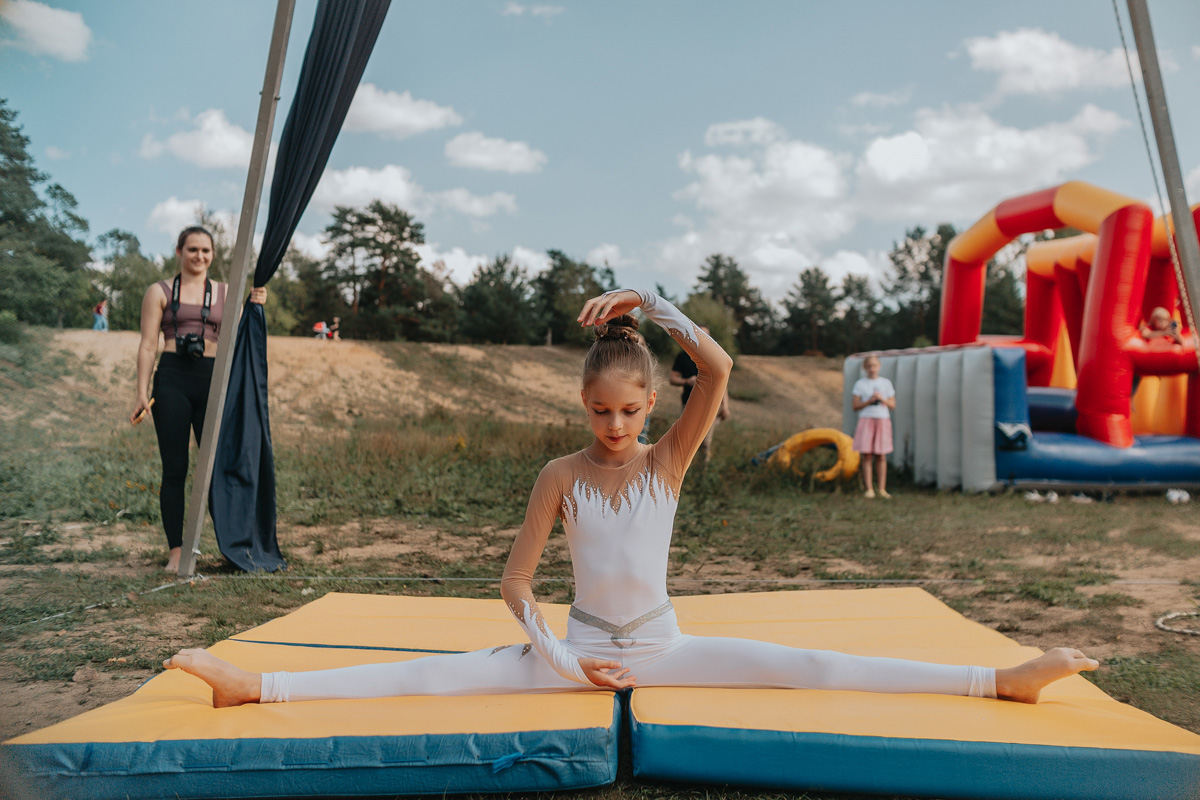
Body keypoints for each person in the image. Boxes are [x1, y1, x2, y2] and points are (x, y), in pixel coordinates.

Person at [163, 289, 1097, 708]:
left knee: (810, 665)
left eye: (629, 410)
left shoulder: (665, 463)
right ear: (585, 404)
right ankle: (261, 686)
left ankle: (998, 678)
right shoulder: (559, 478)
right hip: (575, 653)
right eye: (600, 411)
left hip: (664, 644)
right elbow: (515, 587)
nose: (614, 425)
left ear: (651, 405)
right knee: (434, 674)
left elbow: (719, 368)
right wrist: (566, 666)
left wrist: (652, 304)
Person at [130, 226, 267, 573]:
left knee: (217, 470)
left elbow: (241, 340)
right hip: (172, 379)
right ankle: (176, 551)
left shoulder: (226, 292)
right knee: (175, 469)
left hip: (213, 380)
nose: (199, 256)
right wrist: (141, 393)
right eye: (192, 249)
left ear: (213, 255)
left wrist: (256, 304)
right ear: (179, 251)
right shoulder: (159, 291)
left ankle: (230, 548)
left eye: (206, 251)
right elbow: (148, 345)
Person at [669, 326, 730, 464]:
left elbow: (722, 383)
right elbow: (672, 379)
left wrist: (725, 405)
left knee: (705, 443)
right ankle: (681, 469)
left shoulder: (715, 357)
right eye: (699, 334)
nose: (703, 337)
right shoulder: (683, 356)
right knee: (684, 440)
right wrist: (686, 381)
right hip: (689, 404)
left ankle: (702, 472)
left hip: (710, 405)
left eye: (705, 335)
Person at [851, 354, 895, 499]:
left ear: (879, 366)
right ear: (865, 368)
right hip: (866, 419)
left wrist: (882, 398)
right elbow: (855, 406)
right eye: (869, 366)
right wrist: (869, 401)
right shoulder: (860, 384)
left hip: (882, 419)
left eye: (874, 366)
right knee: (867, 455)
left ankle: (882, 488)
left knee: (881, 455)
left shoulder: (886, 383)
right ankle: (869, 488)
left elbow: (893, 405)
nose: (872, 369)